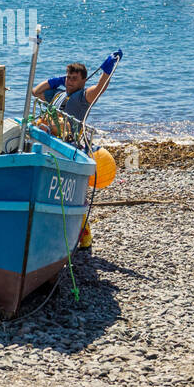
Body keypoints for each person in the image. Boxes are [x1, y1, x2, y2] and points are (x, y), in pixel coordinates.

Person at [31, 50, 122, 249]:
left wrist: (108, 69)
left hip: (68, 145)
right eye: (68, 78)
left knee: (73, 195)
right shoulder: (58, 94)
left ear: (82, 81)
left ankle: (84, 236)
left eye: (74, 78)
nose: (70, 81)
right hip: (48, 140)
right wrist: (55, 81)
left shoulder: (82, 97)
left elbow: (100, 88)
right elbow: (35, 92)